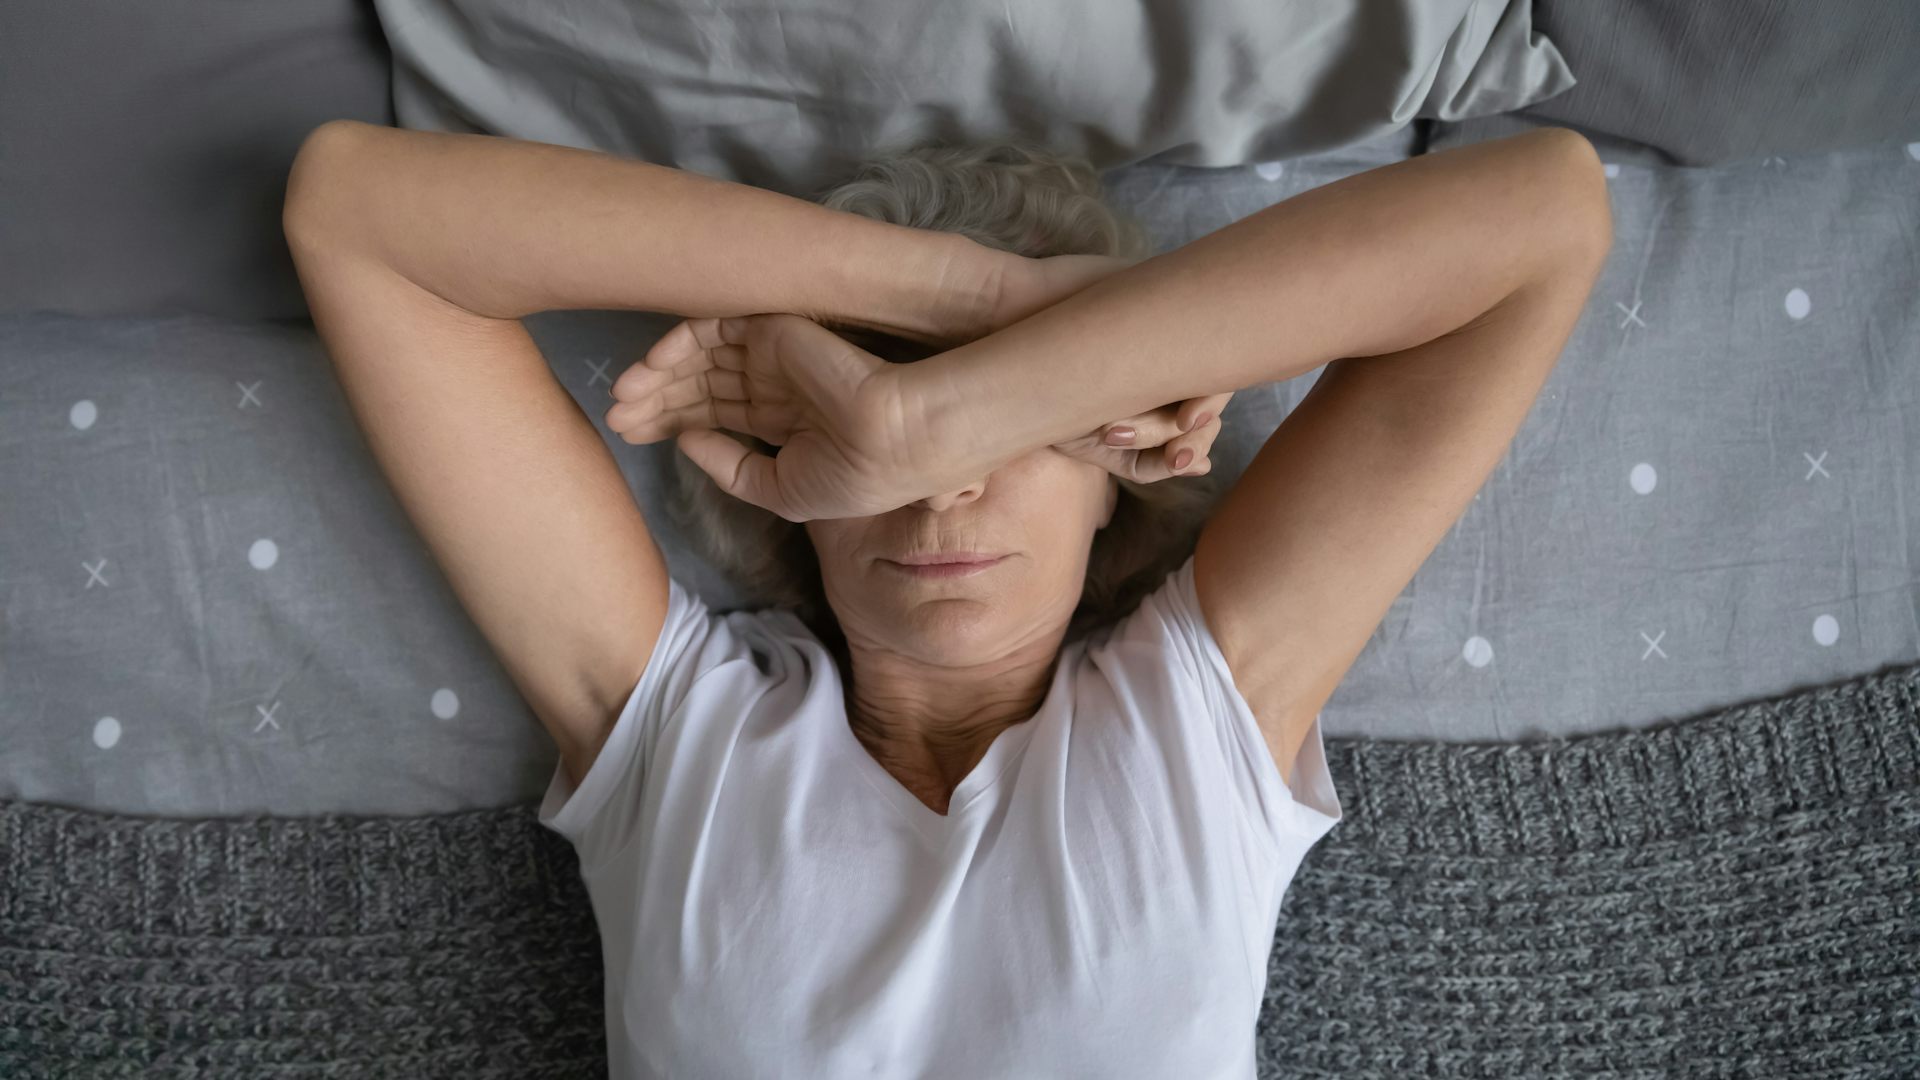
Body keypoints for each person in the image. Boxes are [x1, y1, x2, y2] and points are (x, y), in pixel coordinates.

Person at [282, 119, 1611, 1078]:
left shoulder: (1199, 722)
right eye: (873, 429)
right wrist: (975, 300)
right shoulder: (674, 748)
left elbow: (1546, 211)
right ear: (789, 500)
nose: (943, 489)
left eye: (1017, 423)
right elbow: (355, 210)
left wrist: (940, 405)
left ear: (1118, 485)